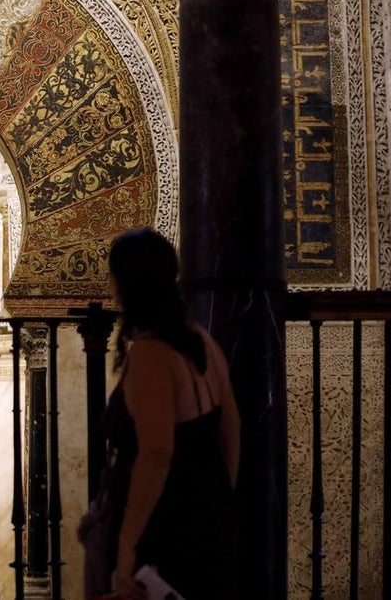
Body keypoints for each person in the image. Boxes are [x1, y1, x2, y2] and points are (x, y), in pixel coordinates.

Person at [91, 228, 240, 600]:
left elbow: (156, 453)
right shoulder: (201, 340)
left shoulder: (150, 355)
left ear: (125, 283)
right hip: (205, 520)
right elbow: (231, 428)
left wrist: (126, 549)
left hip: (163, 531)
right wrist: (218, 501)